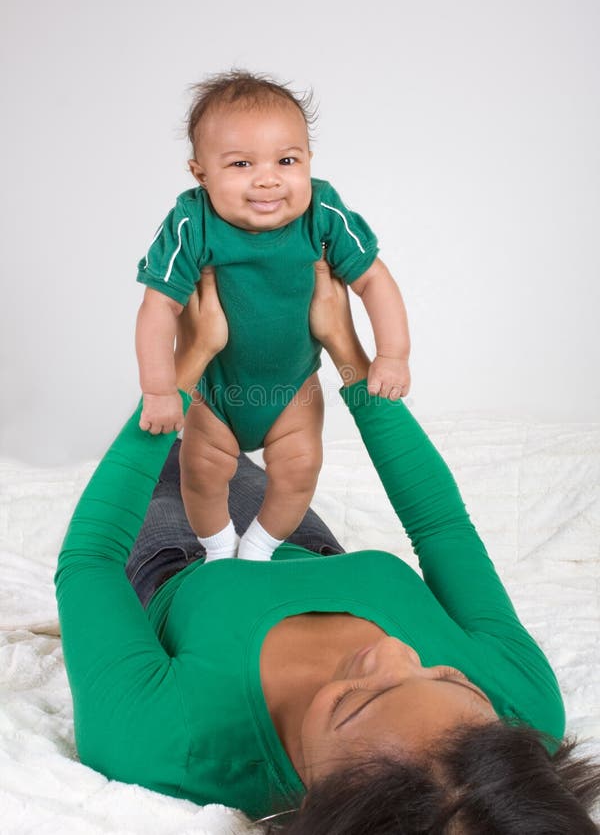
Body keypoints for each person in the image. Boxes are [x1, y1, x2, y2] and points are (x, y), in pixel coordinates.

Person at [55, 259, 600, 833]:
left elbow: (90, 559)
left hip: (179, 554)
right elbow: (444, 529)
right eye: (449, 677)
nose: (394, 652)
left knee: (163, 452)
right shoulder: (525, 708)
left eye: (353, 701)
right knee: (225, 442)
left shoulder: (162, 742)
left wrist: (185, 366)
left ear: (320, 804)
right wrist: (346, 345)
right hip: (300, 542)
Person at [135, 69, 411, 562]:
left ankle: (258, 549)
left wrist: (392, 354)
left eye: (287, 160)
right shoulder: (190, 221)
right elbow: (159, 306)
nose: (268, 178)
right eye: (241, 163)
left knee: (301, 468)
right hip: (215, 392)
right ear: (201, 174)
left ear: (308, 160)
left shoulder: (322, 212)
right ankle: (219, 551)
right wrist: (160, 389)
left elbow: (373, 279)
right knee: (200, 472)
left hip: (292, 389)